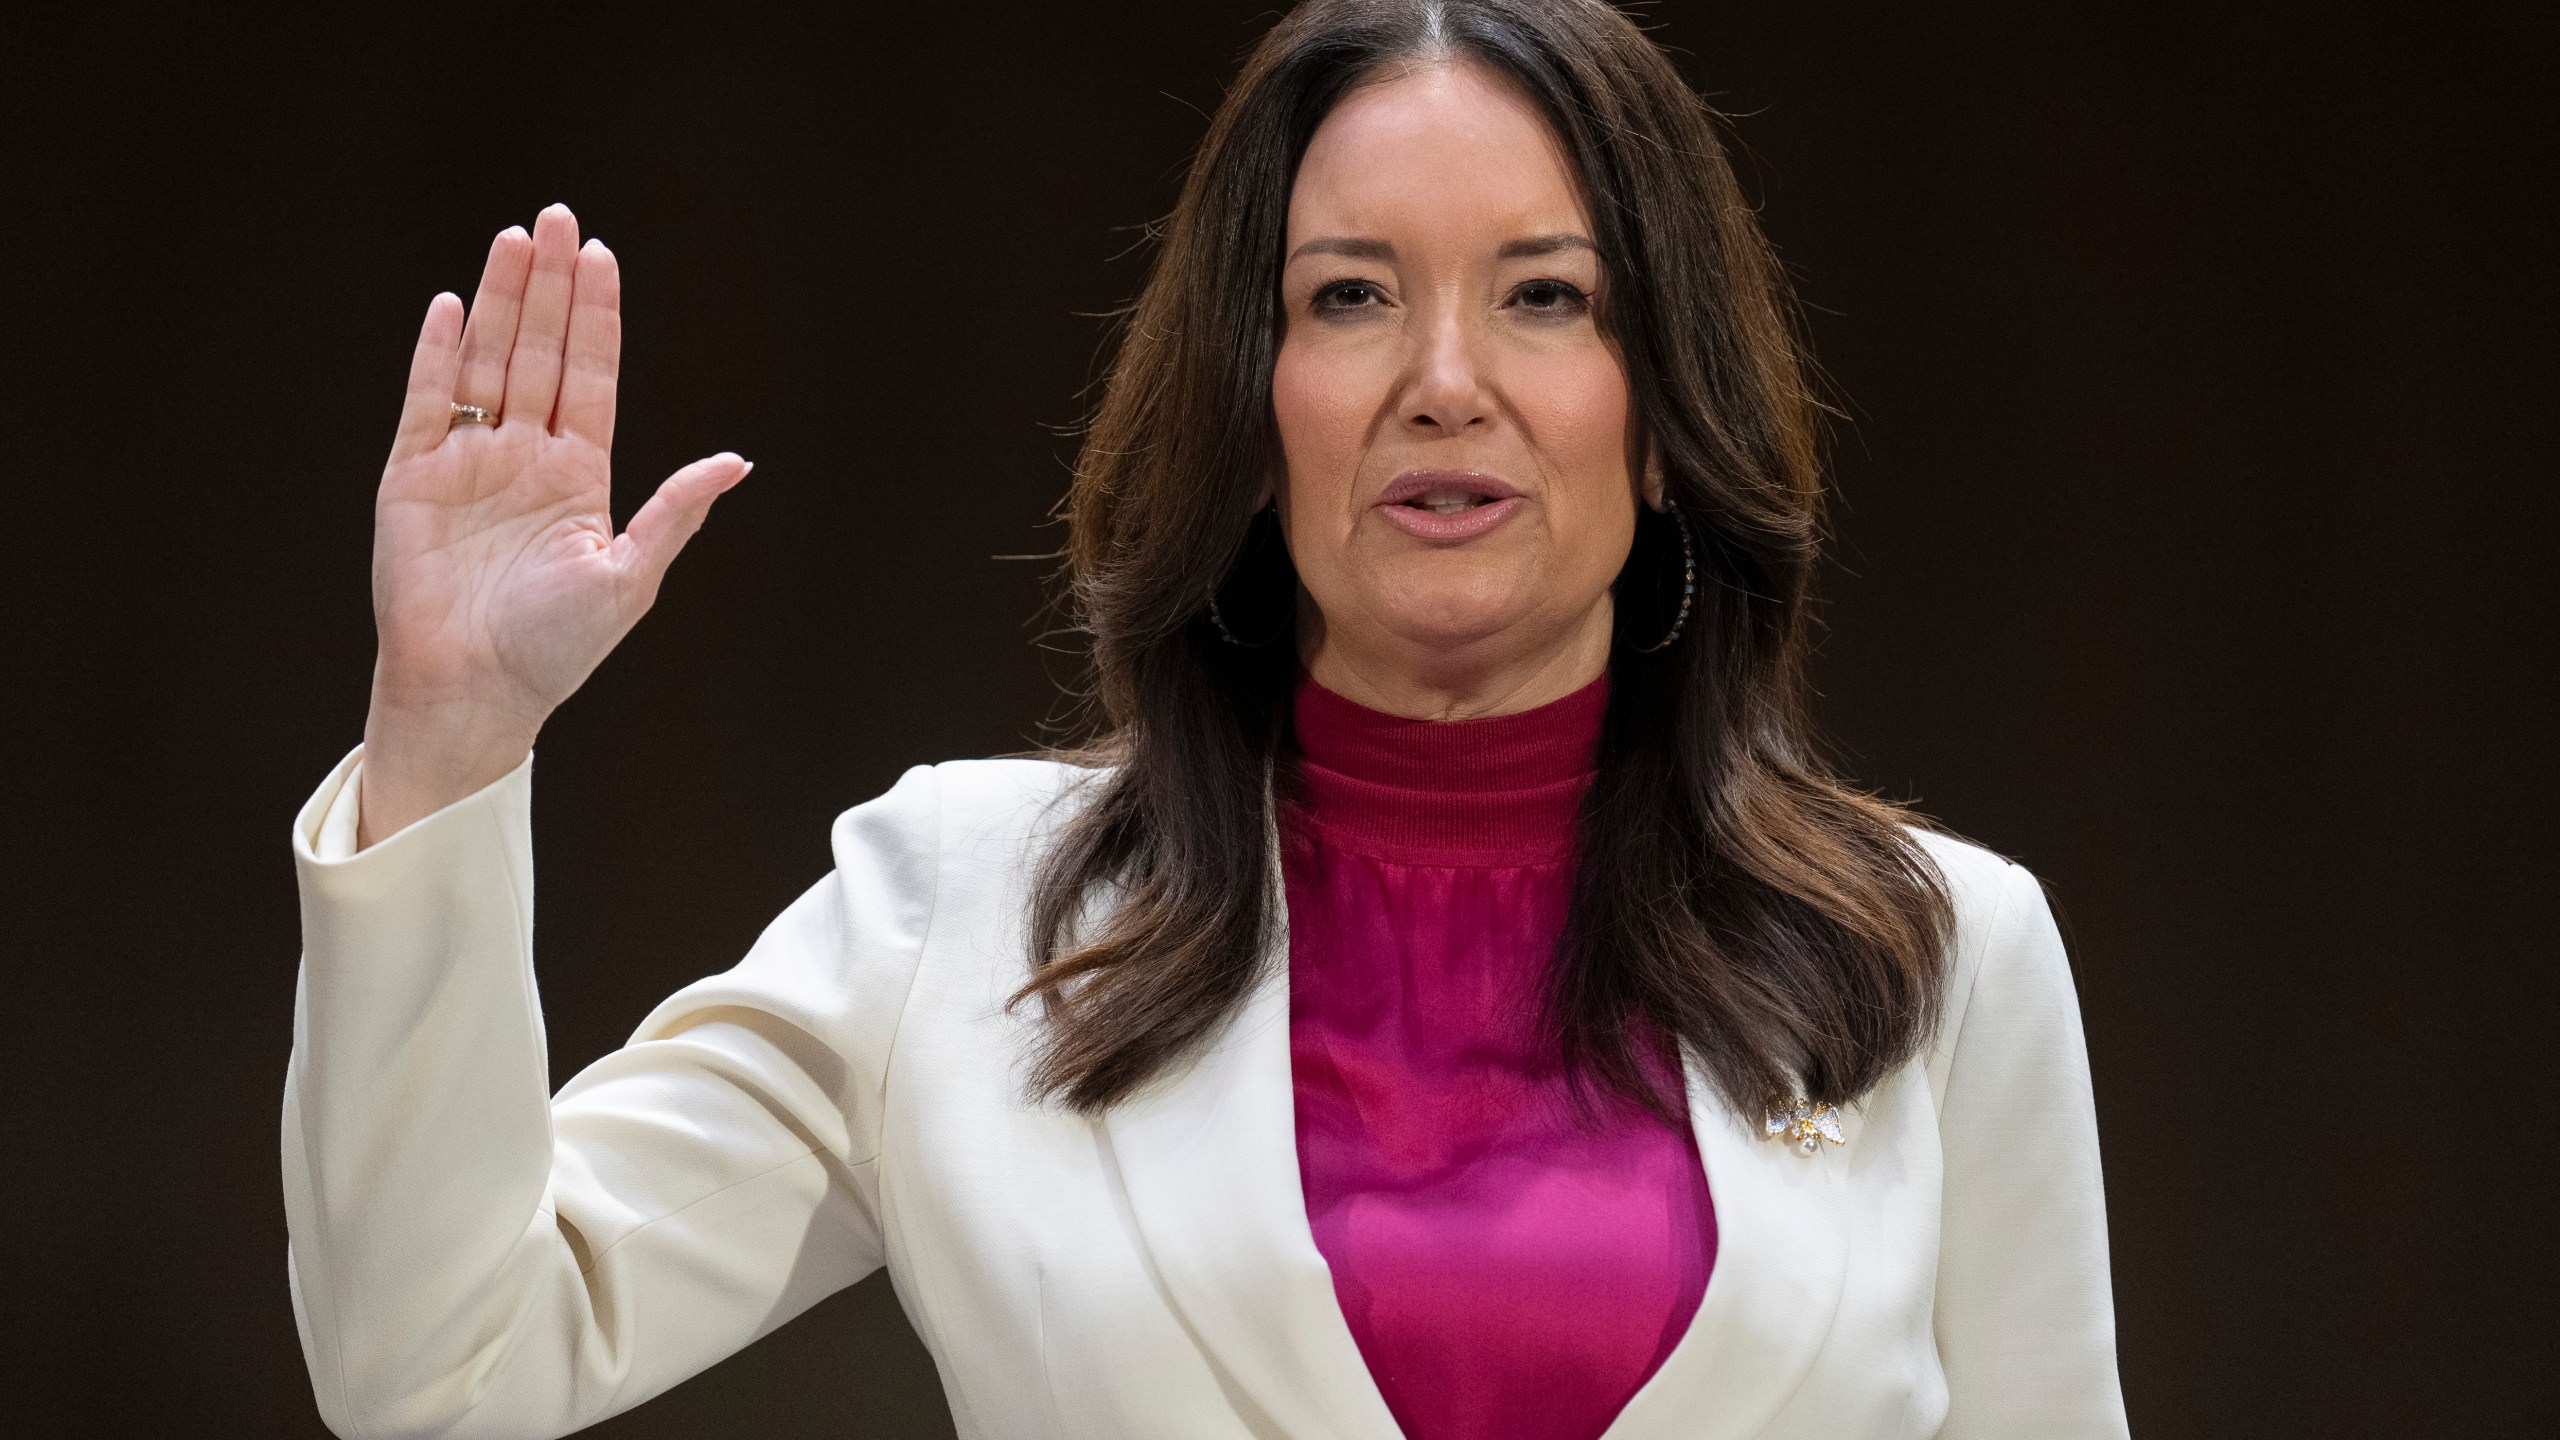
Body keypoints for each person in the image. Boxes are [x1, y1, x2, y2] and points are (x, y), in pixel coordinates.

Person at [282, 2, 2129, 1437]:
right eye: (1349, 299)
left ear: (1663, 409)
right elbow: (439, 1362)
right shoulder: (964, 911)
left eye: (1546, 298)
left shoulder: (1940, 955)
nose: (1445, 382)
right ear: (1253, 409)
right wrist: (449, 730)